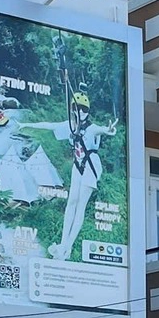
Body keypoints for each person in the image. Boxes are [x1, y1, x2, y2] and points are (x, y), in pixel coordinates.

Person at [51, 92, 107, 261]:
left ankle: (67, 248)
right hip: (78, 166)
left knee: (80, 206)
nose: (80, 112)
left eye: (83, 109)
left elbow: (101, 129)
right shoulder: (71, 125)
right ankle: (62, 245)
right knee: (71, 203)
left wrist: (108, 130)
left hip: (91, 165)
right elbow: (49, 125)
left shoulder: (91, 128)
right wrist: (24, 124)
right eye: (77, 108)